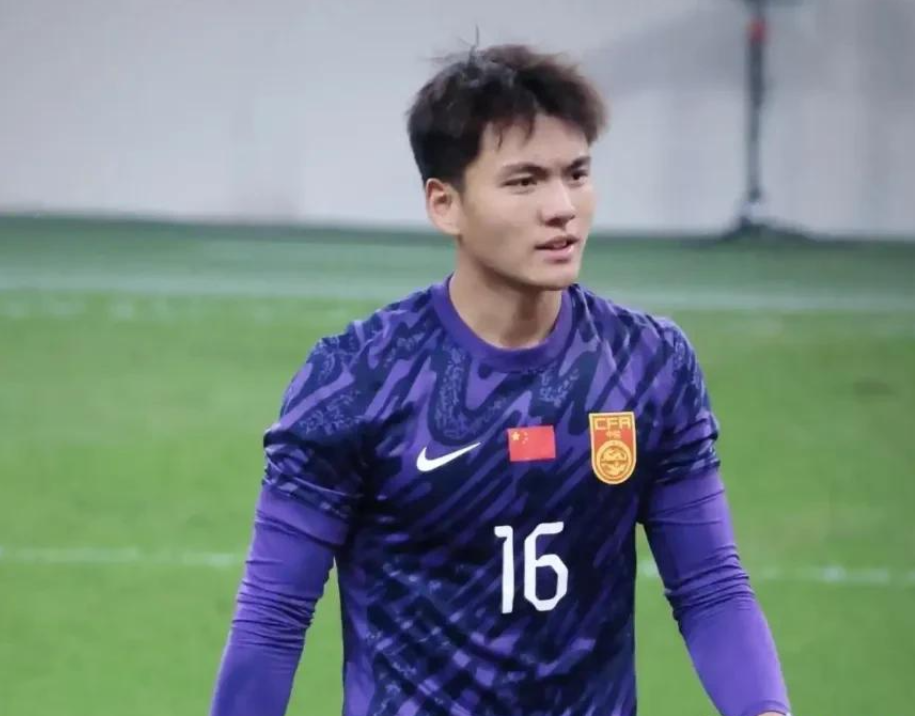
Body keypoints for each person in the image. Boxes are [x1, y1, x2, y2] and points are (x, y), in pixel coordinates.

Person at [209, 43, 791, 716]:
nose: (562, 207)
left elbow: (710, 586)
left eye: (576, 174)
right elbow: (273, 619)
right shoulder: (357, 378)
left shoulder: (649, 363)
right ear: (445, 204)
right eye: (524, 181)